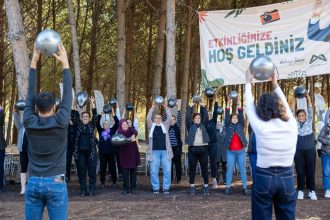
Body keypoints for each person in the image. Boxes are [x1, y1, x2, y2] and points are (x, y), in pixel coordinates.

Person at [23, 44, 72, 219]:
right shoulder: (61, 120)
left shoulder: (29, 120)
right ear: (54, 107)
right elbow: (68, 94)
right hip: (56, 181)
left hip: (34, 181)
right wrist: (65, 64)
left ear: (36, 107)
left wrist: (34, 62)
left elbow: (29, 93)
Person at [245, 70, 298, 220]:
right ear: (280, 106)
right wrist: (275, 85)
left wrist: (248, 83)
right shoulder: (291, 124)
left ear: (261, 109)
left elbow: (249, 107)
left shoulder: (261, 126)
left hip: (264, 177)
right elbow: (287, 108)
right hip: (286, 177)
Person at [291, 94, 317, 200]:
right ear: (297, 117)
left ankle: (312, 191)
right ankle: (300, 190)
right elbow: (291, 110)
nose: (301, 117)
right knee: (300, 171)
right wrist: (293, 97)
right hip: (299, 150)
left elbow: (311, 109)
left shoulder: (309, 122)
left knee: (310, 171)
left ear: (305, 116)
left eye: (303, 115)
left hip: (310, 150)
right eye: (300, 116)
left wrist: (308, 97)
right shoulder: (295, 123)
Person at [72, 97, 98, 196]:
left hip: (91, 153)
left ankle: (92, 190)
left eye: (87, 117)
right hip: (80, 153)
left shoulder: (91, 125)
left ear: (89, 118)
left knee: (92, 172)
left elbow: (95, 116)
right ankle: (83, 190)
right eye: (84, 117)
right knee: (82, 172)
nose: (85, 118)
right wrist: (74, 104)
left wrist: (92, 104)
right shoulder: (78, 125)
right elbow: (73, 116)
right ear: (82, 118)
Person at [224, 98, 249, 196]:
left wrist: (238, 104)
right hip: (230, 152)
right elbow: (226, 116)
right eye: (233, 118)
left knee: (242, 169)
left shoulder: (241, 125)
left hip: (241, 151)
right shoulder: (228, 125)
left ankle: (245, 187)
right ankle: (228, 187)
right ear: (231, 119)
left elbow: (241, 115)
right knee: (229, 169)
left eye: (236, 118)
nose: (234, 119)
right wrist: (229, 103)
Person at [146, 101, 173, 194]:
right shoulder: (151, 126)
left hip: (165, 151)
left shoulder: (165, 125)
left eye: (160, 118)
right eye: (156, 118)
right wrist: (152, 108)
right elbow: (147, 118)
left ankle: (166, 187)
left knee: (167, 171)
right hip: (154, 151)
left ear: (162, 119)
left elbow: (169, 118)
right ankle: (156, 188)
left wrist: (166, 108)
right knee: (154, 171)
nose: (158, 119)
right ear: (154, 119)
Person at [186, 101, 210, 195]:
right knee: (192, 169)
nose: (197, 119)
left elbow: (206, 117)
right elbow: (187, 117)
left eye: (198, 118)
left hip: (203, 150)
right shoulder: (190, 126)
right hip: (193, 150)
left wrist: (203, 107)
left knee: (204, 169)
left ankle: (206, 187)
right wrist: (191, 107)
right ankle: (192, 187)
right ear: (193, 119)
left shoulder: (203, 125)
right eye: (195, 118)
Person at [96, 108, 119, 189]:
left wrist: (113, 114)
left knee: (112, 168)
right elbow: (97, 123)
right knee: (102, 168)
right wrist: (100, 115)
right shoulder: (100, 130)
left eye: (107, 124)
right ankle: (102, 182)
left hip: (111, 152)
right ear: (103, 125)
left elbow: (117, 123)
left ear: (109, 125)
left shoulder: (112, 130)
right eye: (105, 124)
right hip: (102, 153)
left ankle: (114, 181)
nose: (106, 125)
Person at [117, 119, 140, 194]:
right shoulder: (119, 133)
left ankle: (133, 188)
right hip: (124, 156)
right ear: (121, 125)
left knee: (133, 173)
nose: (125, 125)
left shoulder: (131, 129)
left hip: (133, 154)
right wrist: (129, 139)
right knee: (125, 174)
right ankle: (125, 189)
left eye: (126, 124)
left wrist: (133, 135)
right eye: (123, 124)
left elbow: (135, 132)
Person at [13, 107, 29, 194]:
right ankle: (23, 188)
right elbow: (16, 121)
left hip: (31, 150)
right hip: (22, 150)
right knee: (23, 168)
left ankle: (31, 186)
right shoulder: (21, 127)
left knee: (32, 168)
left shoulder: (32, 127)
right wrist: (15, 112)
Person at [206, 102, 219, 188]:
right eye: (208, 114)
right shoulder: (204, 123)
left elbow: (215, 113)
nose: (209, 115)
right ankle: (205, 181)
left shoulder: (213, 121)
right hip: (205, 145)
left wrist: (216, 103)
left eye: (210, 114)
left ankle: (214, 180)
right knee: (204, 163)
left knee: (213, 163)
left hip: (213, 145)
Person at [317, 109, 330, 198]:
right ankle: (327, 189)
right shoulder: (325, 128)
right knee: (326, 172)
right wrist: (328, 142)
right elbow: (319, 138)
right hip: (326, 153)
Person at [66, 107, 79, 183]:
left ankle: (80, 177)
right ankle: (67, 176)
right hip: (68, 146)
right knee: (67, 162)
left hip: (75, 145)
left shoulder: (76, 125)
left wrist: (74, 109)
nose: (70, 118)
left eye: (71, 117)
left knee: (78, 161)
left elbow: (76, 116)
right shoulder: (66, 126)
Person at [169, 115, 183, 184]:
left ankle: (178, 179)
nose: (172, 121)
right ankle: (170, 179)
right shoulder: (167, 127)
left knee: (178, 165)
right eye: (171, 120)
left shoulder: (177, 127)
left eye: (173, 119)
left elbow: (179, 119)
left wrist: (179, 109)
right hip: (169, 149)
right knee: (169, 165)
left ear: (175, 121)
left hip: (176, 148)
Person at [215, 121, 226, 185]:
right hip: (217, 152)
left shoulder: (225, 131)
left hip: (224, 152)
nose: (218, 125)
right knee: (216, 167)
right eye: (217, 124)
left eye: (220, 124)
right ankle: (217, 180)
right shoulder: (215, 131)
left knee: (224, 167)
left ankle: (225, 180)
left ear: (222, 125)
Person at [0, 105, 7, 193]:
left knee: (0, 167)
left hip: (0, 146)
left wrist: (1, 110)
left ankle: (0, 186)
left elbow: (1, 121)